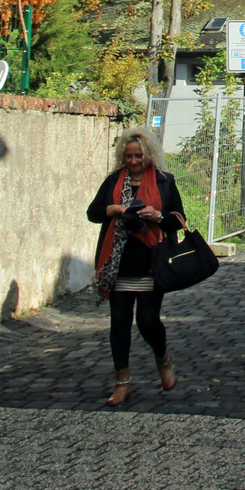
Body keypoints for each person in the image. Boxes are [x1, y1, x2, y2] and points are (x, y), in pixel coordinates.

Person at [87, 127, 187, 406]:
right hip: (117, 262)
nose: (134, 161)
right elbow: (93, 213)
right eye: (129, 156)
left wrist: (157, 216)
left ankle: (163, 359)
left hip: (151, 261)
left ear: (149, 155)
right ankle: (122, 383)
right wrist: (114, 210)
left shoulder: (165, 181)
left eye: (139, 156)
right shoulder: (113, 181)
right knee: (119, 323)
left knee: (147, 320)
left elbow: (178, 218)